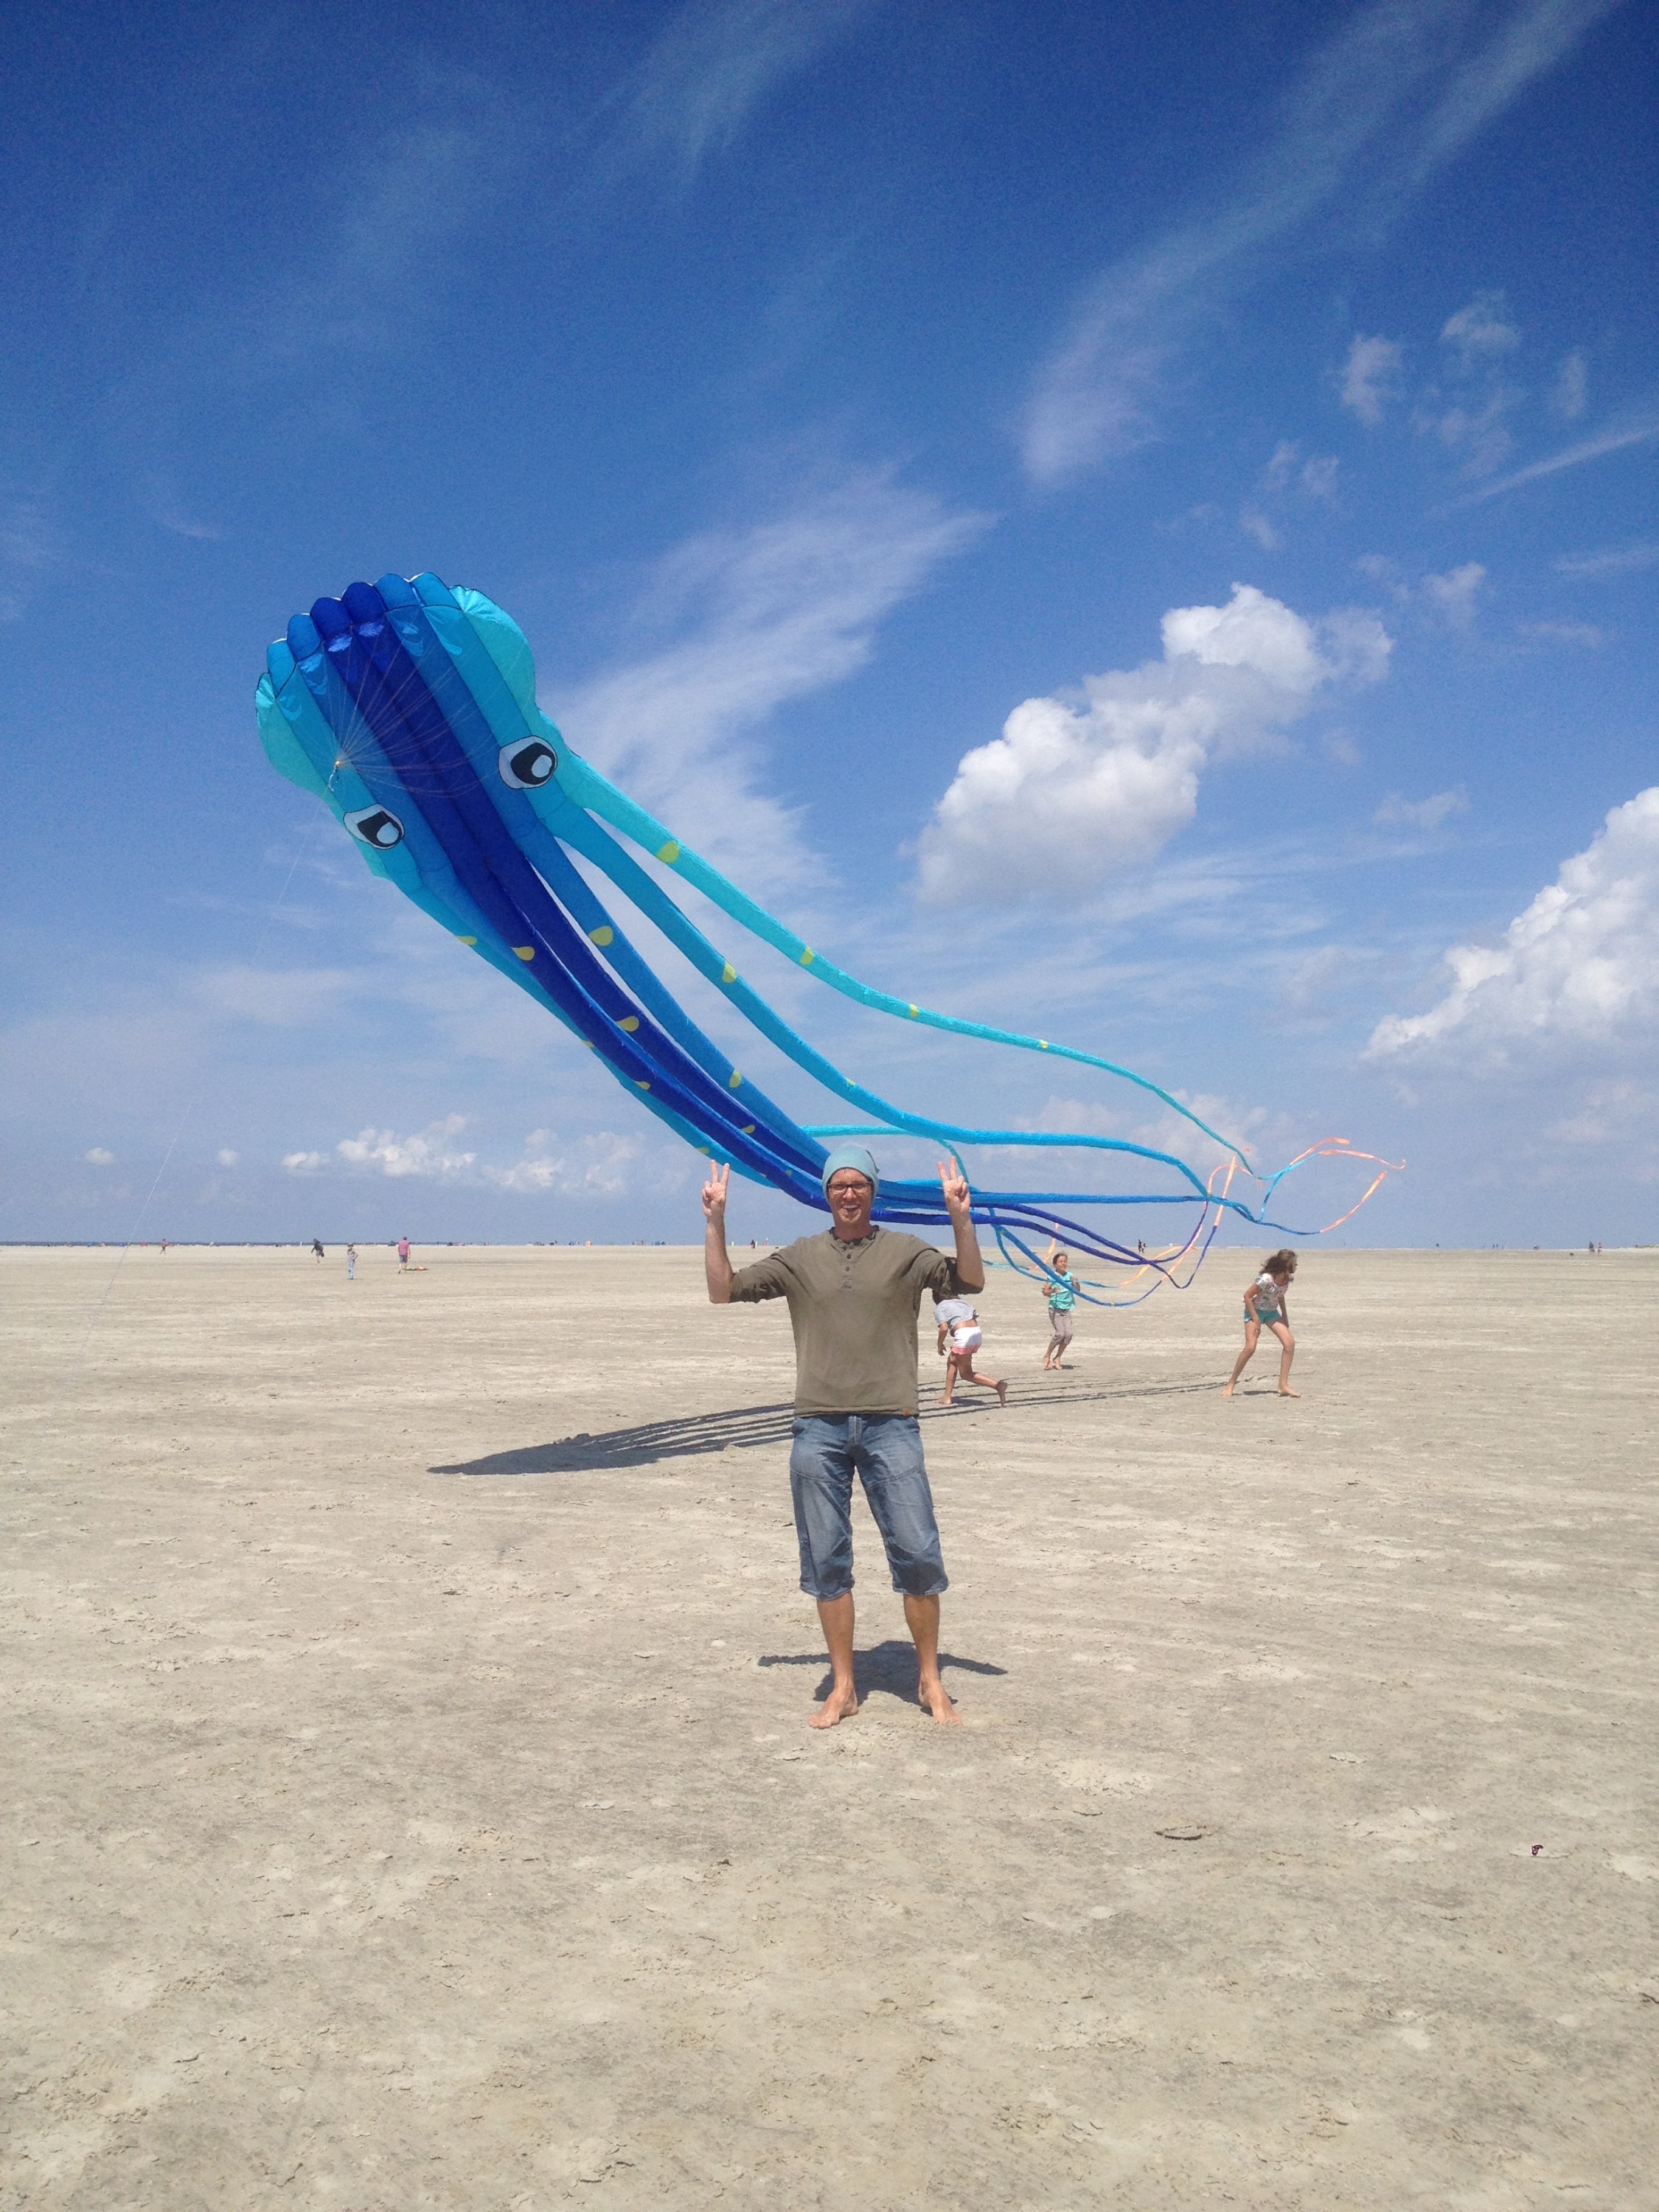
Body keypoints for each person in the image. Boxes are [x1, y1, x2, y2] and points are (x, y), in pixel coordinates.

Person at [704, 1144, 985, 1730]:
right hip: (819, 1424)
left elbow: (970, 1280)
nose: (849, 1193)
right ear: (826, 1193)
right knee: (827, 1560)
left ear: (873, 1192)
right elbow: (722, 1289)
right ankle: (844, 1686)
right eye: (839, 1185)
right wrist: (716, 1221)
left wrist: (961, 1217)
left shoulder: (906, 1251)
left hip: (892, 1422)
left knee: (917, 1553)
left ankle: (930, 1680)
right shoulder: (801, 1257)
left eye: (858, 1184)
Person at [1223, 1248, 1298, 1398]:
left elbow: (1280, 1296)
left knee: (1289, 1344)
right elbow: (1247, 1296)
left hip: (1271, 1312)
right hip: (1254, 1311)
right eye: (1294, 1264)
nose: (1296, 1266)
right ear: (1286, 1266)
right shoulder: (1266, 1279)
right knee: (1250, 1348)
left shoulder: (1286, 1280)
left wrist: (1285, 1315)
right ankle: (1231, 1383)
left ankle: (1283, 1385)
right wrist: (1256, 1320)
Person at [936, 1299, 1007, 1408]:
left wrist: (940, 1344)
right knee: (953, 1361)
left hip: (963, 1335)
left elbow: (944, 1328)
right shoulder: (962, 1302)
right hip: (976, 1333)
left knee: (966, 1373)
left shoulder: (940, 1307)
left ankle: (998, 1385)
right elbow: (971, 1318)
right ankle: (947, 1396)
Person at [1041, 1251, 1079, 1371]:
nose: (1063, 1264)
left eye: (1065, 1261)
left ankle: (1057, 1357)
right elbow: (1045, 1292)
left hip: (1066, 1309)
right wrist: (1053, 1291)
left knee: (1069, 1334)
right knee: (1060, 1334)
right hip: (1055, 1308)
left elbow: (1077, 1291)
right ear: (1055, 1264)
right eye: (1061, 1262)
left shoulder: (1070, 1276)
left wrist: (1075, 1282)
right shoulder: (1052, 1276)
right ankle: (1047, 1355)